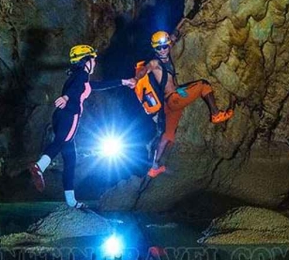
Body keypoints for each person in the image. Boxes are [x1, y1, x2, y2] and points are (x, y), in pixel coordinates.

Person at [28, 44, 135, 207]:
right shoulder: (81, 75)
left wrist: (124, 82)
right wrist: (67, 97)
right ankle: (39, 166)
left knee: (70, 159)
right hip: (70, 114)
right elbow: (76, 88)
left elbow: (98, 85)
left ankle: (71, 201)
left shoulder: (77, 76)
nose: (95, 62)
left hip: (60, 116)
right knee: (60, 142)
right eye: (93, 59)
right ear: (86, 61)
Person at [133, 30, 233, 178]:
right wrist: (136, 78)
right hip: (174, 99)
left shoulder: (167, 51)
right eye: (159, 48)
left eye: (164, 46)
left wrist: (178, 30)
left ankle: (154, 167)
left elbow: (173, 38)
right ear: (154, 49)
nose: (162, 50)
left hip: (170, 104)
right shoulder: (155, 63)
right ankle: (216, 115)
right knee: (204, 85)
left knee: (167, 135)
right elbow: (145, 69)